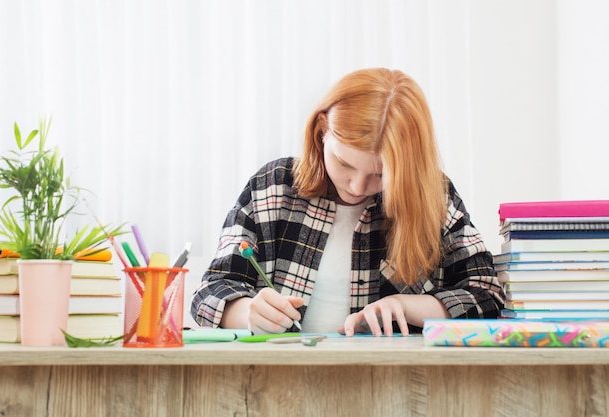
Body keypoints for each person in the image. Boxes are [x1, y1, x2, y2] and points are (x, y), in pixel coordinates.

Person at [190, 68, 504, 337]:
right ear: (321, 132)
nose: (357, 186)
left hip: (395, 387)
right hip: (275, 382)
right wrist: (247, 312)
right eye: (344, 164)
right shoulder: (273, 185)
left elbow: (487, 294)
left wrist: (407, 307)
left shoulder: (433, 195)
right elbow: (209, 292)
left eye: (380, 175)